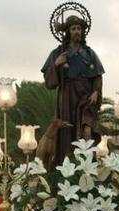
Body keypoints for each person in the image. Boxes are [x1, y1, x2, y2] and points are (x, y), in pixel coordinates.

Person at [41, 13, 105, 166]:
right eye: (73, 28)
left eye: (79, 28)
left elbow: (98, 76)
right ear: (68, 32)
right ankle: (65, 167)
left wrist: (96, 91)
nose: (77, 31)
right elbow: (49, 83)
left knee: (86, 131)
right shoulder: (59, 52)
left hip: (86, 97)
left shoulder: (89, 53)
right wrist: (56, 64)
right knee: (66, 132)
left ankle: (88, 167)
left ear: (82, 31)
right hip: (67, 98)